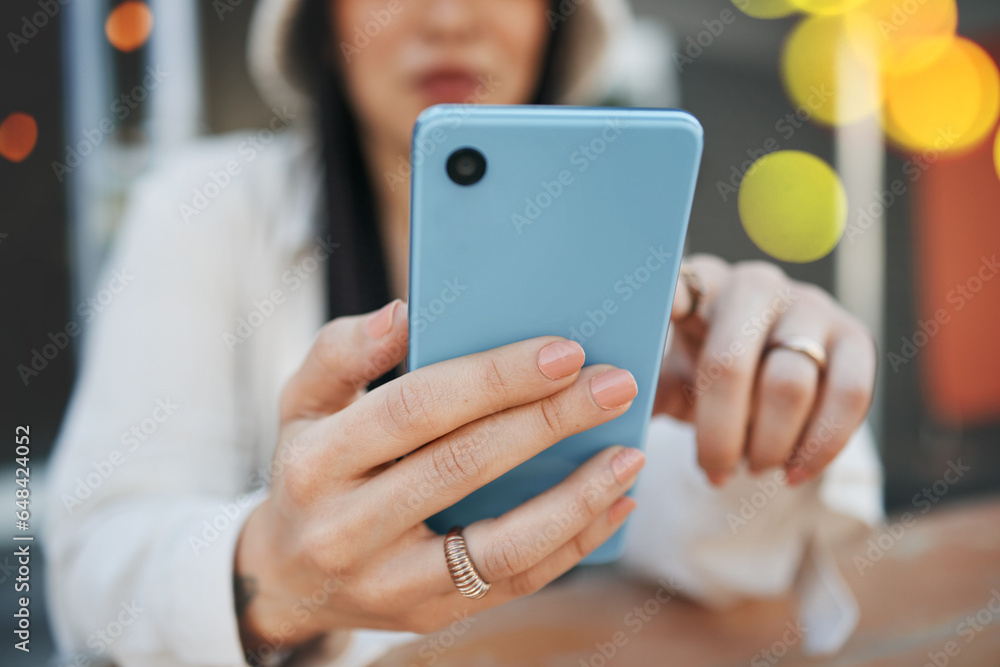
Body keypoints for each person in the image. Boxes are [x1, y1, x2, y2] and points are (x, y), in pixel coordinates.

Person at [44, 0, 883, 665]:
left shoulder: (615, 234)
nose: (448, 16)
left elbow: (693, 539)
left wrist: (759, 408)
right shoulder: (203, 211)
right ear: (324, 20)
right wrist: (269, 575)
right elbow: (87, 569)